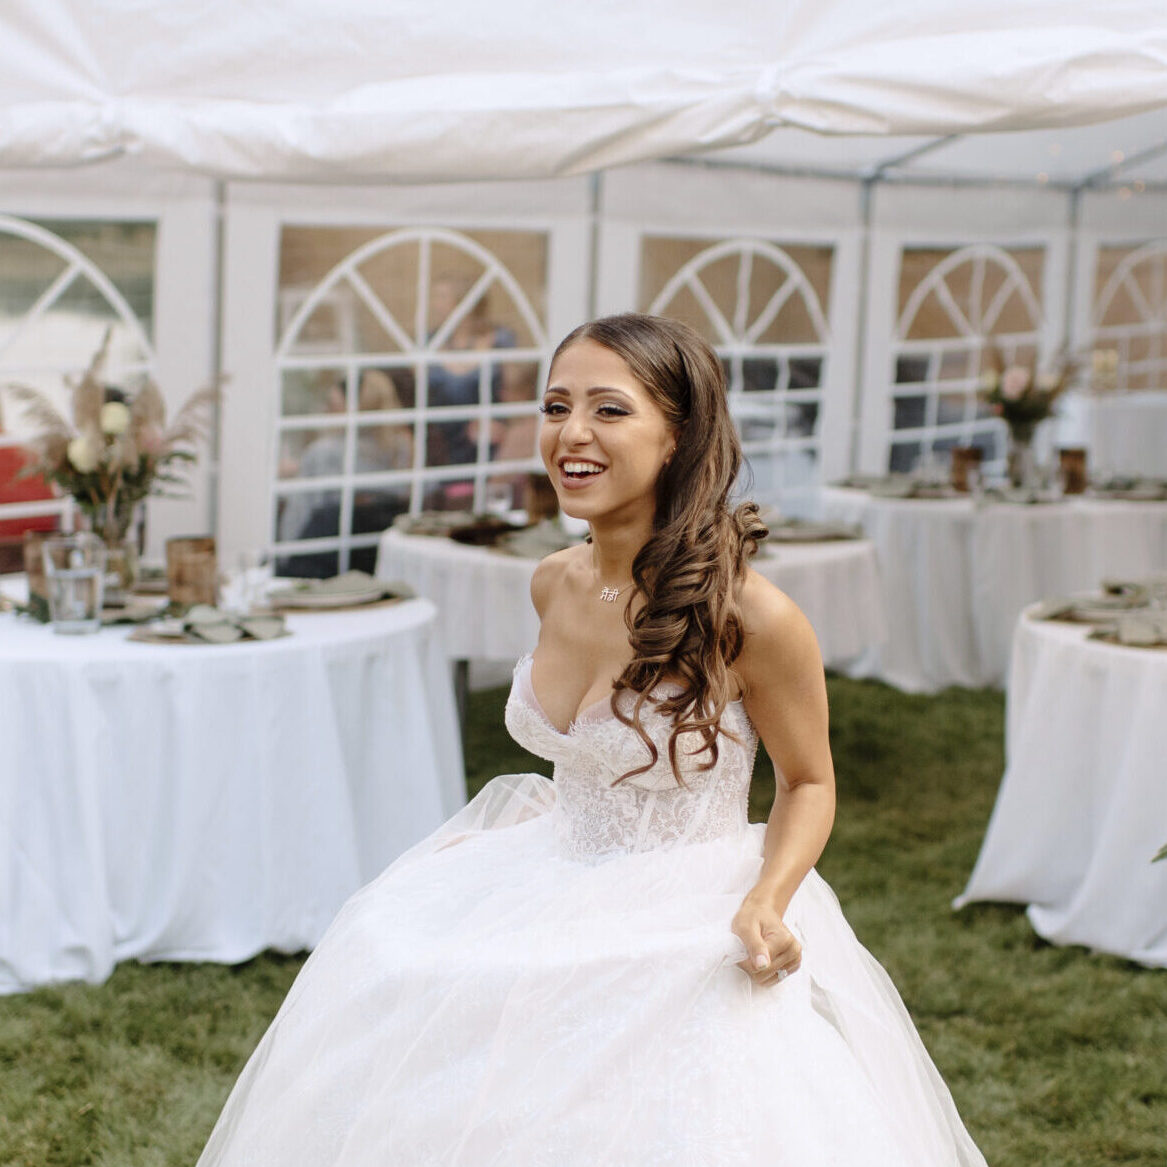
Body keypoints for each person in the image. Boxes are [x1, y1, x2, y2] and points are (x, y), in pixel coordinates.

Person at [198, 314, 986, 1166]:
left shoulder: (751, 615)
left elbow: (808, 782)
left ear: (677, 436)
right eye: (555, 405)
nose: (570, 434)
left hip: (684, 903)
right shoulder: (550, 581)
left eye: (609, 410)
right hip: (543, 871)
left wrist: (768, 898)